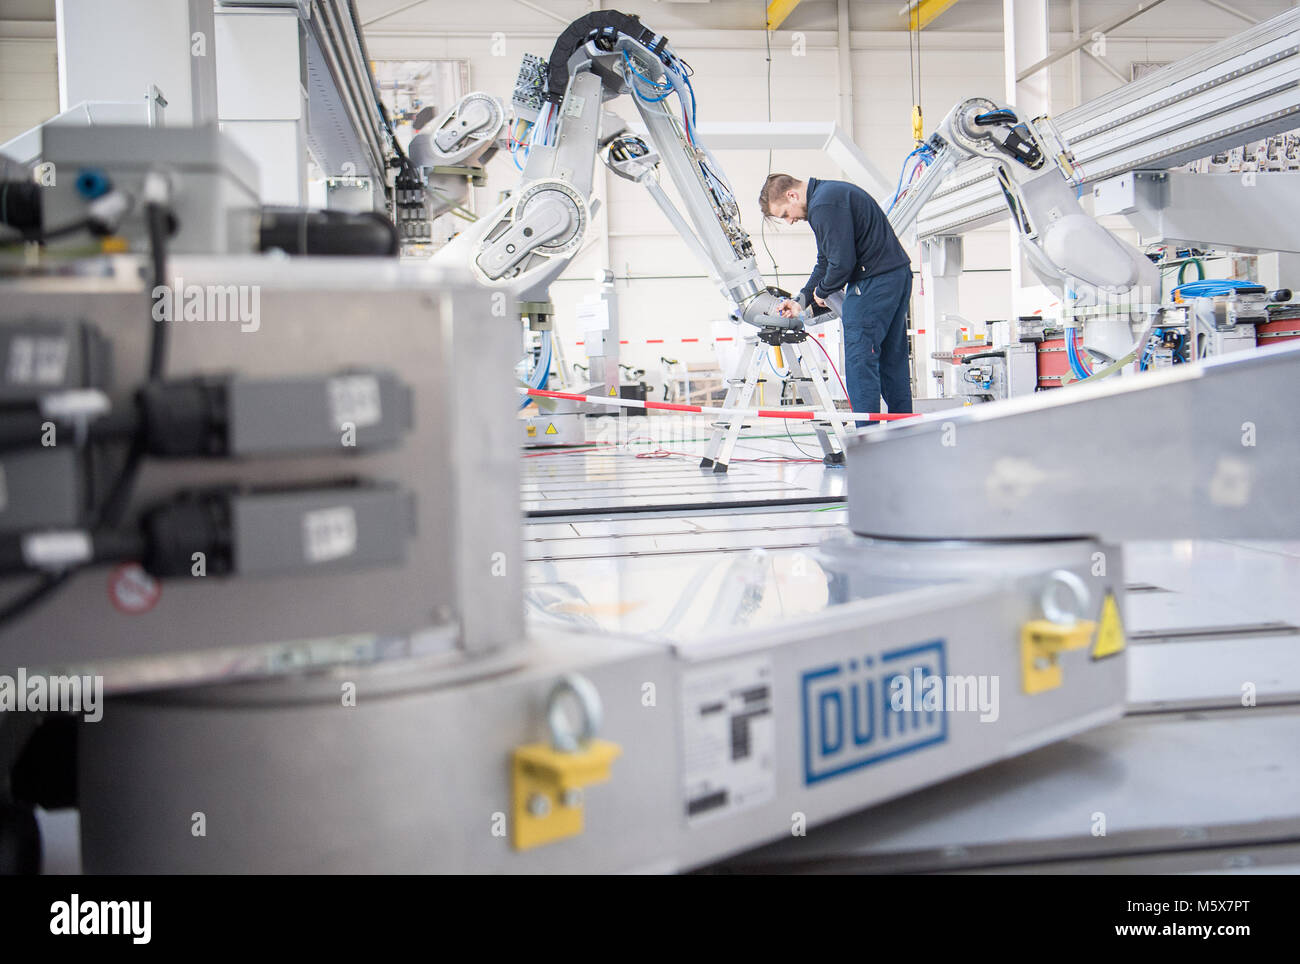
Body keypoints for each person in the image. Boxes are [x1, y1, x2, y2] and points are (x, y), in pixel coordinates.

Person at [759, 173, 913, 424]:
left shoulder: (823, 205)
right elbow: (825, 261)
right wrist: (803, 300)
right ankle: (905, 432)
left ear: (792, 195)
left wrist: (823, 291)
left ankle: (868, 440)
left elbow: (841, 264)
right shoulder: (830, 195)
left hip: (873, 282)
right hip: (895, 275)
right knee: (891, 359)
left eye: (786, 214)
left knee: (860, 361)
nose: (790, 221)